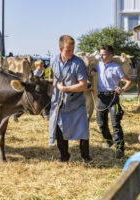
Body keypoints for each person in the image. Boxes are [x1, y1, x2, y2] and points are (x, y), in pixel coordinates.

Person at [49, 35, 91, 163]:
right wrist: (52, 92)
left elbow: (83, 85)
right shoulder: (53, 60)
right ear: (60, 48)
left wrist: (65, 89)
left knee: (83, 130)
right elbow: (54, 79)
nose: (71, 53)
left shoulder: (78, 63)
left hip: (76, 103)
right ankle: (64, 156)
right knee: (59, 131)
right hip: (59, 102)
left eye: (72, 50)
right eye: (68, 50)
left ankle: (86, 156)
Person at [92, 45, 132, 159]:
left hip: (113, 97)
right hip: (100, 98)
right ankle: (108, 141)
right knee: (101, 123)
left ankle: (120, 148)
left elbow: (129, 82)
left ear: (110, 55)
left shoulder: (116, 67)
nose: (101, 56)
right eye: (100, 54)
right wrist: (91, 73)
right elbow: (91, 72)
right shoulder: (97, 66)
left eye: (104, 54)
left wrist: (122, 89)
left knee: (116, 124)